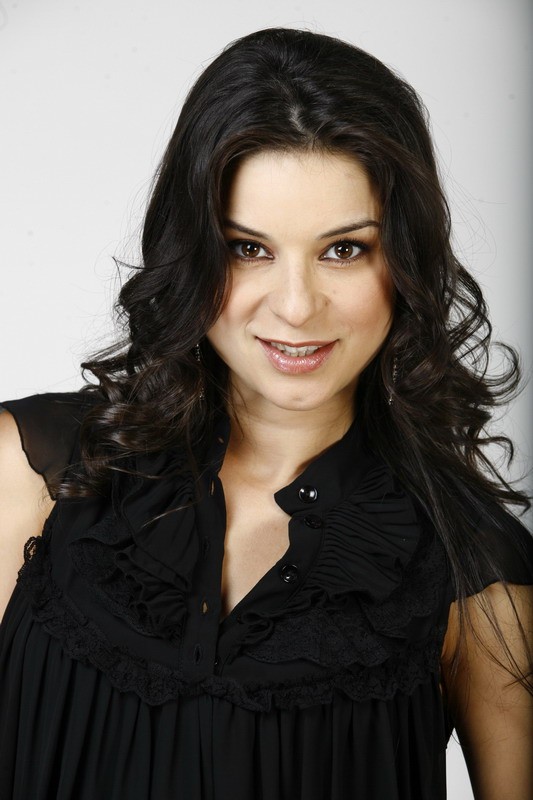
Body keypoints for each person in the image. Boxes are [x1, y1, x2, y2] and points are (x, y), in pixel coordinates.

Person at [0, 27, 532, 800]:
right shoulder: (24, 474)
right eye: (248, 248)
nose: (295, 306)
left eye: (343, 249)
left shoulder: (476, 575)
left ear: (404, 258)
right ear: (192, 253)